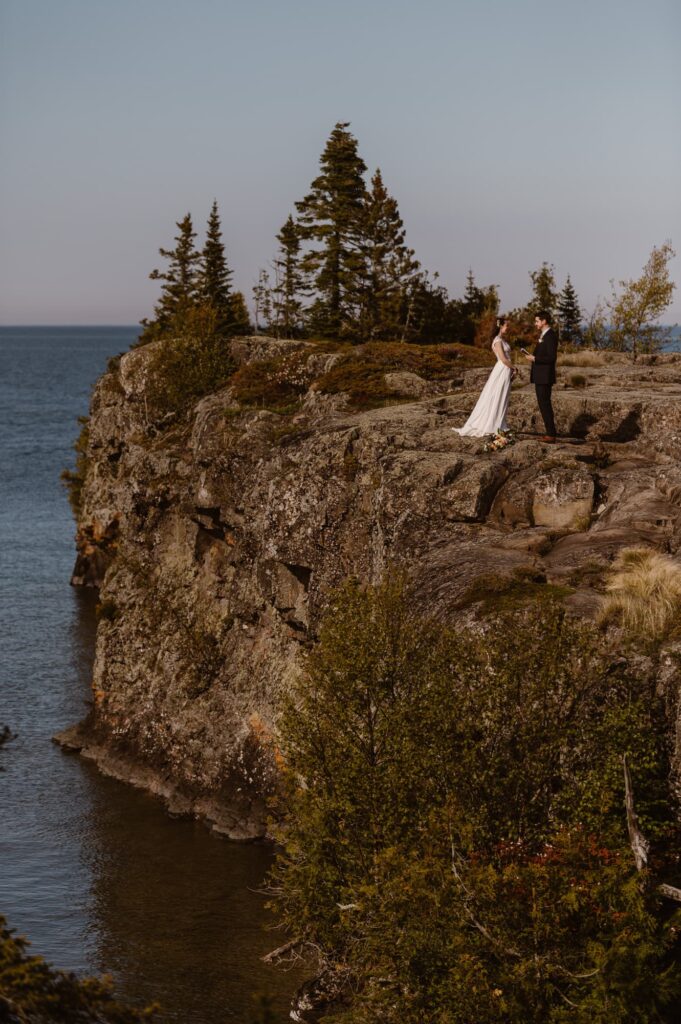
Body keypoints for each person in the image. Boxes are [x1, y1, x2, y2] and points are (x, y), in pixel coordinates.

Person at [452, 316, 517, 437]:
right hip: (502, 369)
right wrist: (514, 367)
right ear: (500, 326)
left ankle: (500, 423)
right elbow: (503, 358)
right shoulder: (497, 340)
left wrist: (512, 371)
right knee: (497, 395)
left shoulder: (502, 340)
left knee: (503, 396)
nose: (508, 328)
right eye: (507, 325)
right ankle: (492, 424)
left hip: (505, 370)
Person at [523, 311, 558, 442]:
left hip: (545, 376)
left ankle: (551, 434)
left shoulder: (550, 336)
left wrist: (535, 358)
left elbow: (551, 357)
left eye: (537, 321)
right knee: (543, 404)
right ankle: (550, 432)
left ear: (544, 321)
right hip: (541, 376)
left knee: (545, 404)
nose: (535, 323)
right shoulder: (543, 335)